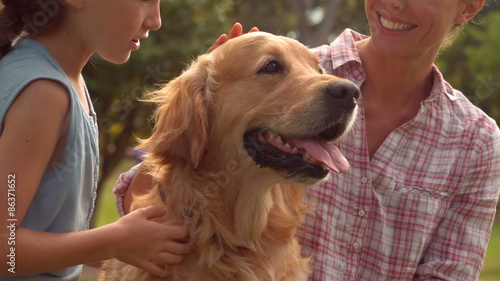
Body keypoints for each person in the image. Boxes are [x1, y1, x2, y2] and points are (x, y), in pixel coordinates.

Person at [114, 0, 500, 280]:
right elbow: (141, 198)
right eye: (272, 69)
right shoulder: (280, 61)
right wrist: (204, 100)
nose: (395, 3)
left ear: (469, 7)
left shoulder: (477, 142)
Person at [0, 0, 191, 280]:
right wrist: (112, 240)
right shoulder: (44, 92)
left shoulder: (56, 77)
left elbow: (55, 240)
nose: (156, 20)